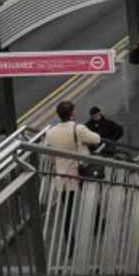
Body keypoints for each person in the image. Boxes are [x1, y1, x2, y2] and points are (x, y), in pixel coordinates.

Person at [42, 101, 101, 246]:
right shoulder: (78, 129)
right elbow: (96, 139)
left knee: (67, 210)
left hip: (63, 176)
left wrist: (58, 161)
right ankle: (97, 225)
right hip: (81, 170)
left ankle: (70, 240)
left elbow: (47, 156)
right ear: (72, 114)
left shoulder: (50, 133)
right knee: (91, 197)